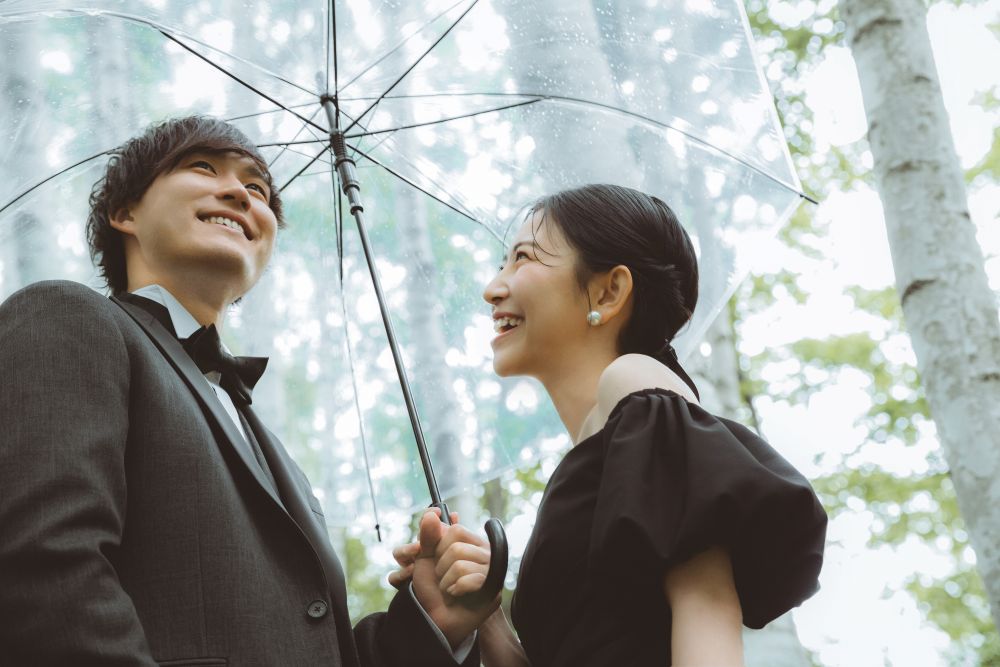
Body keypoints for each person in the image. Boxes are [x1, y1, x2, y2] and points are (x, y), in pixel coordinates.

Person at [0, 116, 498, 666]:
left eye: (258, 189)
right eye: (202, 167)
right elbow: (42, 569)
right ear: (125, 213)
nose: (240, 192)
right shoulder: (67, 319)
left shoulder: (272, 449)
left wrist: (429, 621)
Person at [393, 184, 828, 666]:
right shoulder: (594, 458)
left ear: (609, 290)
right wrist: (486, 614)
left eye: (524, 258)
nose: (493, 288)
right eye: (502, 263)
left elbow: (706, 606)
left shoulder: (637, 386)